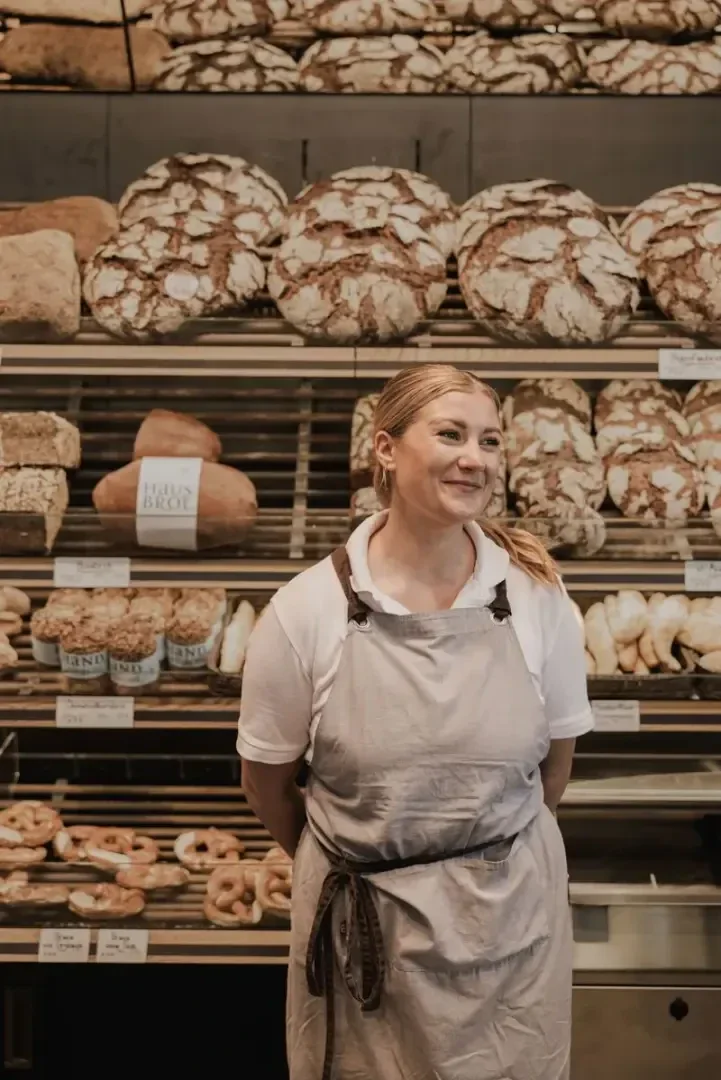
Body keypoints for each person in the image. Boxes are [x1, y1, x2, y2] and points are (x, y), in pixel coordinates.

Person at [238, 363, 593, 1080]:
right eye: (451, 434)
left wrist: (471, 860)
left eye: (490, 442)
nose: (475, 458)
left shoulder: (536, 599)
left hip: (509, 933)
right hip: (365, 937)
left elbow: (551, 772)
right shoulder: (306, 610)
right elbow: (267, 786)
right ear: (386, 449)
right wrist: (370, 859)